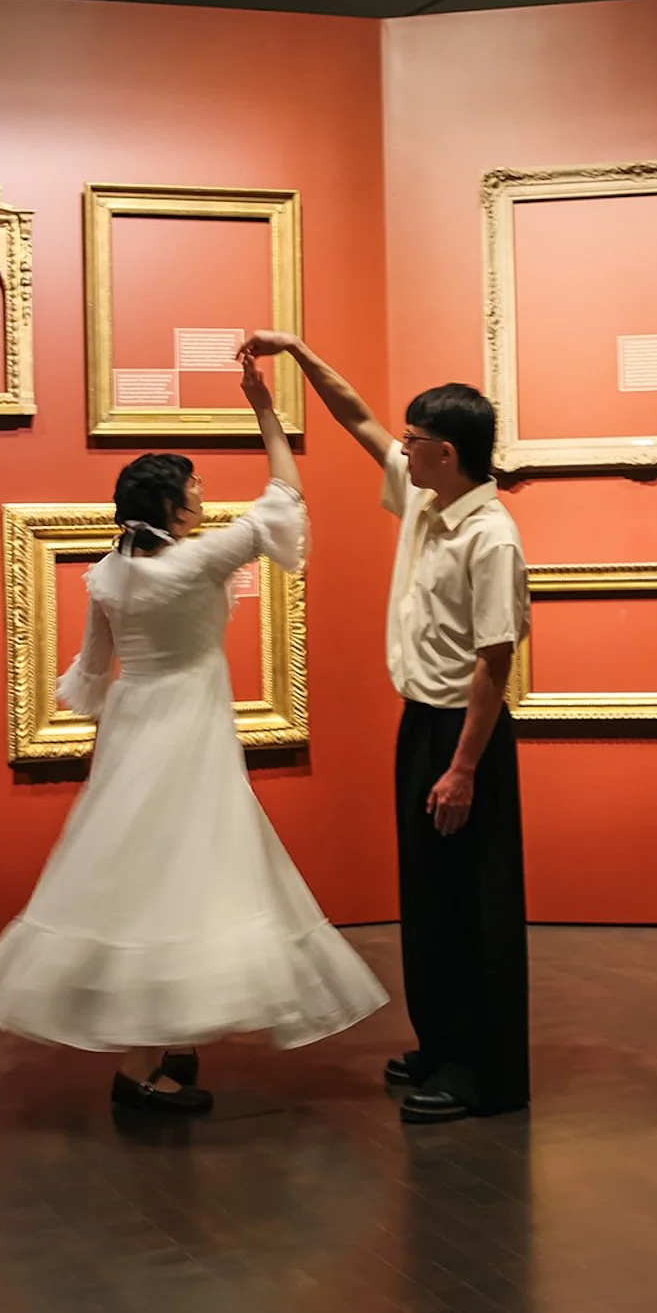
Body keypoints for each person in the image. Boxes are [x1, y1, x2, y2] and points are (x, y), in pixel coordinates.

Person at [0, 354, 387, 1114]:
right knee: (181, 875)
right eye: (191, 487)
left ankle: (172, 1037)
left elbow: (91, 675)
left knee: (149, 874)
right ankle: (140, 1068)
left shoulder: (108, 573)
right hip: (188, 727)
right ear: (169, 504)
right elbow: (284, 497)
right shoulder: (193, 564)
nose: (201, 495)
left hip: (137, 730)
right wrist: (263, 412)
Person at [239, 333, 529, 1125]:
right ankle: (439, 1046)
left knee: (471, 908)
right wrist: (294, 354)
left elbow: (494, 664)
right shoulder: (425, 497)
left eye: (412, 441)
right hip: (422, 726)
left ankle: (481, 1073)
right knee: (429, 902)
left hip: (465, 738)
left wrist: (464, 768)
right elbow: (356, 415)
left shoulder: (490, 535)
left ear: (446, 451)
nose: (397, 448)